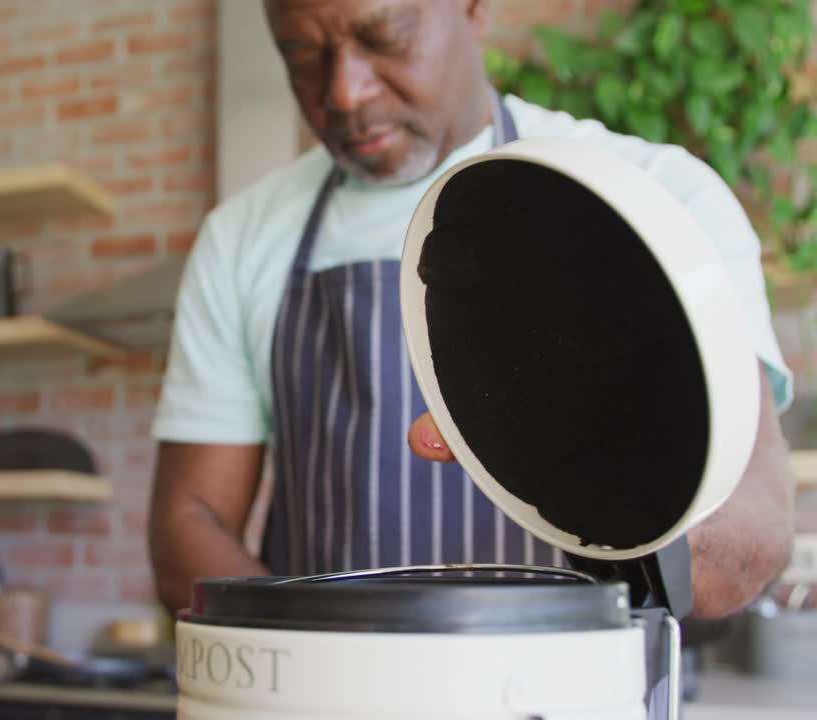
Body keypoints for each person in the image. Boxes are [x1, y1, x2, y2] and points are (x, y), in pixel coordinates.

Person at [149, 0, 795, 622]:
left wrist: (613, 456)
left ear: (475, 5)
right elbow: (188, 522)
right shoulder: (243, 237)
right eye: (302, 55)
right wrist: (328, 667)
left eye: (384, 37)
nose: (344, 91)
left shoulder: (662, 200)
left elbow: (749, 551)